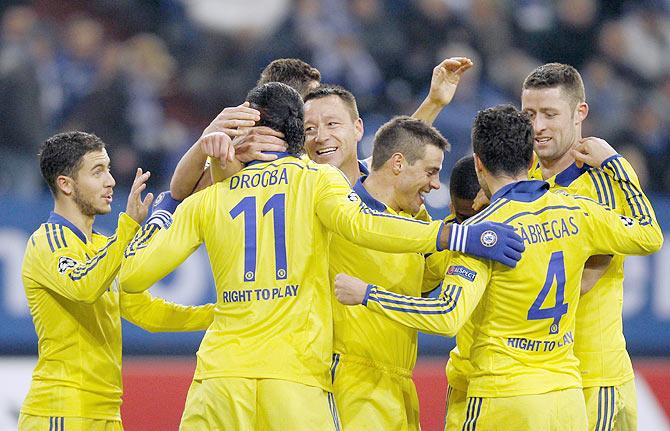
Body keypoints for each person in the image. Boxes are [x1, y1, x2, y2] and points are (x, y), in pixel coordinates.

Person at [119, 82, 525, 430]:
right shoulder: (317, 181)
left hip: (220, 377)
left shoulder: (207, 200)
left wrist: (158, 216)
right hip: (296, 379)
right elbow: (366, 221)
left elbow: (132, 277)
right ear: (299, 131)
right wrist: (453, 235)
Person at [334, 105, 663, 430]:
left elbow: (445, 315)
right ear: (532, 160)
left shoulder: (482, 233)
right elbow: (648, 234)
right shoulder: (577, 210)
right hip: (566, 398)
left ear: (478, 164)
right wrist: (615, 164)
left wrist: (367, 294)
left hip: (502, 397)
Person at [19, 131, 215, 430]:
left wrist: (221, 314)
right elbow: (84, 286)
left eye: (108, 169)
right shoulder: (47, 242)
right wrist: (128, 229)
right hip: (61, 411)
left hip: (107, 412)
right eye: (97, 172)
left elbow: (144, 311)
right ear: (66, 184)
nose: (110, 181)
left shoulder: (103, 246)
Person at [521, 62, 650, 430]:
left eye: (549, 114)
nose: (537, 126)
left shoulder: (603, 185)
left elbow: (580, 282)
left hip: (594, 378)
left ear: (580, 113)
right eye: (529, 114)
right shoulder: (519, 177)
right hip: (539, 380)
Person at [327, 115, 449, 430]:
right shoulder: (342, 211)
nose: (436, 184)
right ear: (397, 164)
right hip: (351, 382)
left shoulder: (418, 220)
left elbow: (417, 284)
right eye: (431, 172)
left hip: (400, 381)